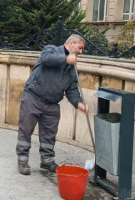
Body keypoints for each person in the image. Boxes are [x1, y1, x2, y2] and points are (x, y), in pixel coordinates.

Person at [16, 34, 89, 175]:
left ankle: (47, 160)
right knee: (26, 130)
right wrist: (66, 59)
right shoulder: (51, 50)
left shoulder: (72, 67)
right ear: (71, 43)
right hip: (33, 97)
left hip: (52, 104)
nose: (81, 52)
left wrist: (79, 104)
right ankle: (23, 160)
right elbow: (46, 59)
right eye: (80, 48)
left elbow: (72, 90)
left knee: (49, 134)